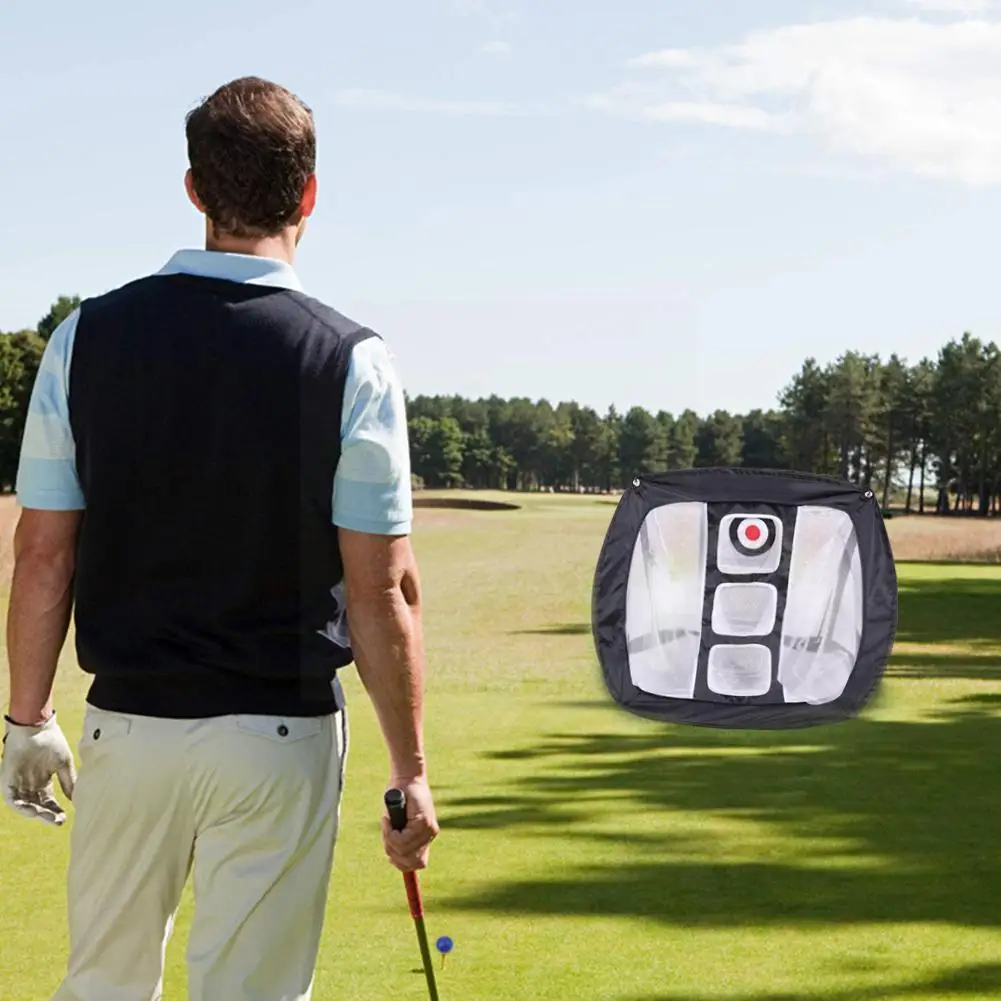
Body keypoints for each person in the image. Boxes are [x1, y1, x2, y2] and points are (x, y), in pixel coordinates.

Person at [0, 75, 438, 1001]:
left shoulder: (85, 338)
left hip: (129, 731)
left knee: (102, 988)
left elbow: (42, 552)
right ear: (308, 195)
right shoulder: (352, 360)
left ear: (194, 188)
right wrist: (410, 771)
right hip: (280, 738)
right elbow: (383, 589)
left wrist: (28, 717)